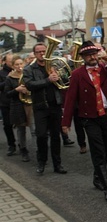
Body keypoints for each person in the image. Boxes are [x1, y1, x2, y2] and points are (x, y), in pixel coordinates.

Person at [62, 41, 107, 203]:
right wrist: (66, 122)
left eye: (94, 54)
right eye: (89, 55)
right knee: (98, 151)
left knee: (106, 149)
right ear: (83, 57)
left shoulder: (105, 69)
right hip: (90, 118)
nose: (92, 57)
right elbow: (70, 99)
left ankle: (98, 177)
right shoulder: (77, 74)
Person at [23, 42, 67, 175]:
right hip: (40, 107)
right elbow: (29, 84)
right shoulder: (29, 69)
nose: (42, 54)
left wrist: (59, 76)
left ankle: (57, 164)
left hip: (55, 105)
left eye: (44, 51)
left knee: (55, 136)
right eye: (39, 52)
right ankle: (41, 162)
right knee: (41, 136)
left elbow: (66, 80)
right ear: (35, 54)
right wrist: (48, 80)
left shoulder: (55, 65)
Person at [4, 55, 31, 162]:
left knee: (34, 129)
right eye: (17, 64)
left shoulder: (27, 74)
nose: (19, 66)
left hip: (29, 104)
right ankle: (23, 149)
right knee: (21, 129)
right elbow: (7, 93)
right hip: (17, 105)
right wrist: (17, 89)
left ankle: (39, 150)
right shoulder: (9, 77)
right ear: (13, 66)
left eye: (21, 64)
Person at [0, 52, 17, 156]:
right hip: (6, 102)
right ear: (5, 62)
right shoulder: (1, 73)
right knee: (7, 125)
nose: (12, 63)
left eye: (13, 61)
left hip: (18, 101)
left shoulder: (19, 70)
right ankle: (12, 145)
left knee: (21, 125)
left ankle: (22, 145)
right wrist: (8, 78)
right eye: (11, 61)